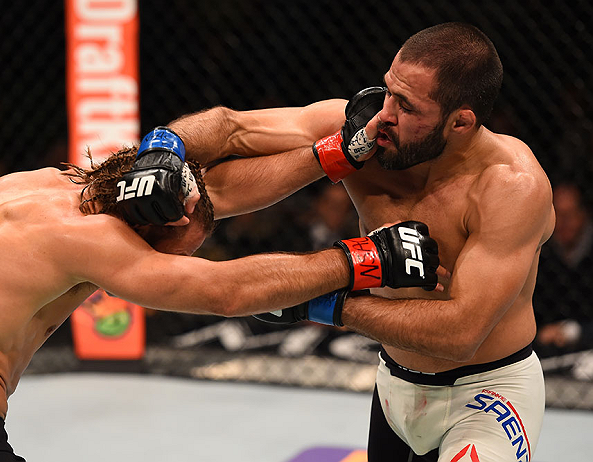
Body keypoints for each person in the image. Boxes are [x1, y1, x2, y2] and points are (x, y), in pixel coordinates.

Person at [129, 22, 555, 462]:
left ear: (461, 122)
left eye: (408, 106)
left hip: (486, 395)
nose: (385, 113)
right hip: (395, 386)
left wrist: (321, 303)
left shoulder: (510, 187)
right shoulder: (368, 134)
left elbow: (461, 334)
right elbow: (232, 128)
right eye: (389, 90)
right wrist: (164, 147)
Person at [0, 128, 443, 461]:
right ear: (152, 229)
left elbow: (219, 180)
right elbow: (227, 292)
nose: (171, 267)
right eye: (173, 254)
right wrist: (365, 259)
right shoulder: (92, 243)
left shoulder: (45, 185)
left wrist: (331, 155)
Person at [534, 182, 593, 356]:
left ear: (584, 214)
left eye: (568, 215)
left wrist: (572, 331)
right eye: (557, 215)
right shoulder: (541, 254)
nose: (562, 223)